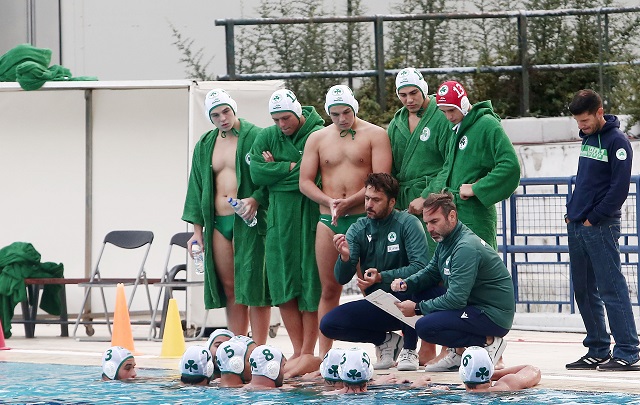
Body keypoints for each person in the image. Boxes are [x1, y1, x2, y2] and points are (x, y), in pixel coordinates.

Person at [299, 84, 392, 358]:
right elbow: (304, 181)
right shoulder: (317, 138)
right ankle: (324, 354)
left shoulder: (376, 135)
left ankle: (384, 345)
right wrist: (329, 201)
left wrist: (349, 201)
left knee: (371, 286)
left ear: (355, 108)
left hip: (366, 220)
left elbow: (381, 179)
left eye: (347, 112)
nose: (342, 118)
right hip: (329, 220)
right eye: (336, 113)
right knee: (329, 288)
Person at [182, 88, 271, 344]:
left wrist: (255, 199)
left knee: (255, 287)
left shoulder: (255, 136)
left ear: (233, 109)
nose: (223, 118)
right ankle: (238, 344)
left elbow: (268, 177)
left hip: (248, 221)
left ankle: (260, 348)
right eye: (216, 115)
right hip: (218, 223)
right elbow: (196, 188)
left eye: (226, 111)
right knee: (230, 288)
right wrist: (197, 234)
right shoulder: (205, 144)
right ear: (210, 118)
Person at [392, 191, 515, 372]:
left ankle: (488, 341)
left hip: (492, 315)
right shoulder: (446, 241)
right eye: (426, 223)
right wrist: (406, 284)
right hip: (472, 305)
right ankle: (457, 353)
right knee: (418, 290)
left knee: (425, 327)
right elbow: (431, 273)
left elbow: (456, 299)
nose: (430, 229)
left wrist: (417, 308)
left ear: (452, 216)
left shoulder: (465, 247)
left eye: (434, 222)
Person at [319, 173, 429, 372]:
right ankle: (386, 341)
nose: (369, 204)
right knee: (329, 324)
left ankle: (410, 348)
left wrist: (382, 277)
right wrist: (344, 258)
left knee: (411, 287)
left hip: (412, 302)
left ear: (392, 202)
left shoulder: (408, 224)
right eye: (367, 198)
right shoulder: (358, 228)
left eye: (376, 200)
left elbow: (421, 267)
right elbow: (341, 278)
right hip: (380, 303)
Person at [250, 88, 325, 377]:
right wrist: (293, 168)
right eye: (277, 119)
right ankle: (297, 351)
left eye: (286, 118)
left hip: (309, 214)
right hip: (280, 218)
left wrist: (277, 171)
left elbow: (315, 176)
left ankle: (309, 351)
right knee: (282, 285)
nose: (282, 124)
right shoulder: (267, 136)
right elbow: (257, 173)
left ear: (298, 112)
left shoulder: (318, 133)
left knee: (309, 283)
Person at [564, 89, 640, 371]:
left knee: (611, 288)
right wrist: (572, 213)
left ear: (599, 112)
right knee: (584, 290)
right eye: (578, 122)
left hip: (600, 226)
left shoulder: (617, 142)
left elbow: (619, 188)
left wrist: (593, 218)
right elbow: (586, 181)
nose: (581, 126)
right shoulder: (588, 138)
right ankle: (597, 349)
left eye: (584, 120)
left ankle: (628, 351)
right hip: (578, 224)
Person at [388, 67, 453, 366]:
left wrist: (428, 197)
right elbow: (392, 167)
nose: (409, 100)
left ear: (424, 90)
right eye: (403, 95)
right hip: (404, 203)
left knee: (438, 273)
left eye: (413, 93)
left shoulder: (440, 117)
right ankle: (418, 342)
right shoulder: (396, 123)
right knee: (412, 274)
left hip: (433, 202)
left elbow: (447, 162)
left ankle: (443, 341)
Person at [435, 80, 520, 250]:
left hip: (475, 215)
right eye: (444, 112)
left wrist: (477, 188)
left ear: (464, 103)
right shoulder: (457, 128)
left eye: (452, 110)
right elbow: (448, 168)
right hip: (453, 213)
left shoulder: (487, 124)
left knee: (482, 268)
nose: (449, 116)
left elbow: (510, 165)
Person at [458, 346, 541, 392]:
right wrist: (491, 374)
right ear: (490, 369)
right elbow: (533, 370)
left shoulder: (449, 392)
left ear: (462, 373)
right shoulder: (505, 387)